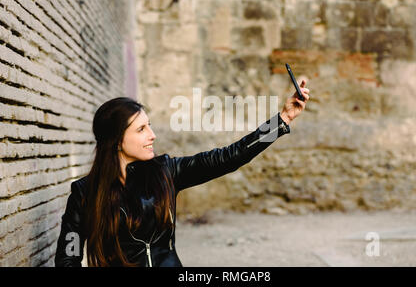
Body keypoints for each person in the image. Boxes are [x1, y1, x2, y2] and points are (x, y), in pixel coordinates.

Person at [54, 80, 310, 267]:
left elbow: (230, 157)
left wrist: (282, 119)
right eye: (141, 129)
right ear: (117, 140)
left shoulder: (165, 171)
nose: (152, 135)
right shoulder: (85, 193)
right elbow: (69, 254)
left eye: (149, 126)